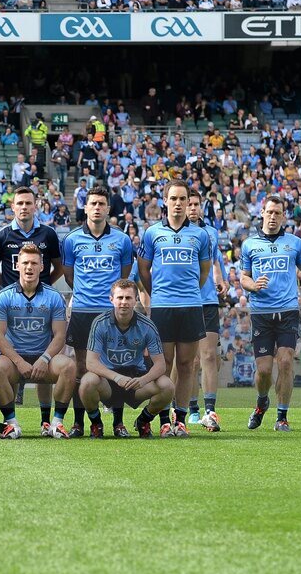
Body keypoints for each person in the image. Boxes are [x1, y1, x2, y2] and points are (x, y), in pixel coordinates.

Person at [137, 179, 210, 437]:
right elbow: (143, 269)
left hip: (190, 305)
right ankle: (163, 419)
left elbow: (203, 272)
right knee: (164, 364)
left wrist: (188, 291)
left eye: (183, 200)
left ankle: (180, 418)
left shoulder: (200, 235)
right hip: (163, 307)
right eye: (174, 199)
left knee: (187, 365)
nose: (179, 204)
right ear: (165, 201)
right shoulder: (152, 233)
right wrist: (156, 293)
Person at [240, 195, 301, 432]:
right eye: (269, 212)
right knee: (263, 371)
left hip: (287, 312)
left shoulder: (294, 243)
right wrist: (253, 285)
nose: (273, 217)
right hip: (261, 313)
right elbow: (244, 277)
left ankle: (282, 416)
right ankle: (262, 401)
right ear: (262, 213)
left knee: (285, 362)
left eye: (277, 213)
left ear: (283, 216)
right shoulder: (249, 244)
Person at [61, 185, 135, 437]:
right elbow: (69, 276)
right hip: (82, 311)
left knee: (115, 367)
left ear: (108, 208)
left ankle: (118, 423)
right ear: (85, 207)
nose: (97, 208)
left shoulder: (122, 240)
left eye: (101, 204)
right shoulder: (72, 240)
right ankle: (81, 422)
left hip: (110, 313)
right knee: (80, 367)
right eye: (93, 204)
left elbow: (124, 277)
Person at [0, 186, 63, 426]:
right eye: (19, 203)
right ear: (13, 207)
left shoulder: (48, 234)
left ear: (35, 206)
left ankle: (45, 420)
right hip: (11, 301)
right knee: (12, 353)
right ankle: (12, 419)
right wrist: (9, 285)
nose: (24, 207)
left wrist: (45, 286)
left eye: (28, 203)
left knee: (43, 355)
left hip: (40, 298)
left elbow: (58, 266)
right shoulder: (2, 235)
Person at [0, 244, 77, 439]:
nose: (29, 267)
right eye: (25, 263)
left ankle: (56, 423)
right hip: (14, 360)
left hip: (43, 358)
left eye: (34, 263)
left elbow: (60, 335)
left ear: (42, 267)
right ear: (17, 266)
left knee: (69, 366)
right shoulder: (4, 296)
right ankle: (11, 423)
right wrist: (19, 361)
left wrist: (45, 358)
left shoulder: (54, 297)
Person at [78, 279, 175, 439]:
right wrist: (116, 377)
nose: (124, 302)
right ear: (111, 300)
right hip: (108, 379)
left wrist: (143, 380)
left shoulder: (147, 326)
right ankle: (96, 423)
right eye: (120, 298)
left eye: (128, 298)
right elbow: (90, 362)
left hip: (135, 380)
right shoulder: (99, 323)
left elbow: (160, 365)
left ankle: (143, 420)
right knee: (87, 381)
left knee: (167, 386)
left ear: (136, 299)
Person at [186, 190, 228, 431]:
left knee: (209, 356)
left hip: (208, 300)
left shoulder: (211, 232)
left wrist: (220, 278)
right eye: (189, 203)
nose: (192, 208)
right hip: (185, 301)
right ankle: (191, 409)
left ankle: (210, 409)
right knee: (190, 361)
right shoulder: (174, 232)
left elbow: (215, 261)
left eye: (195, 204)